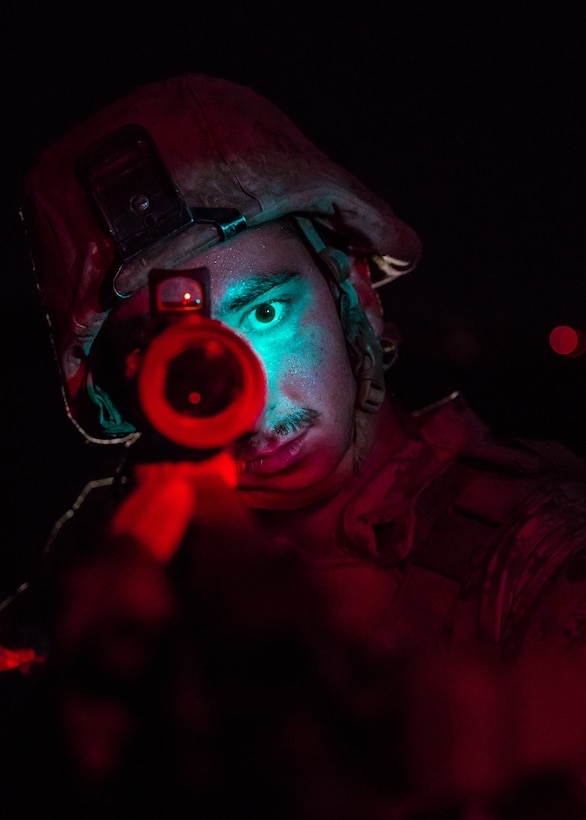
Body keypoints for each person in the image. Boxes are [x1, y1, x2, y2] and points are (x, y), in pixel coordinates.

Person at [3, 73, 586, 817]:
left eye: (269, 311)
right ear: (130, 393)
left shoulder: (535, 565)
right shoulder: (116, 561)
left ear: (358, 296)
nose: (246, 394)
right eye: (176, 361)